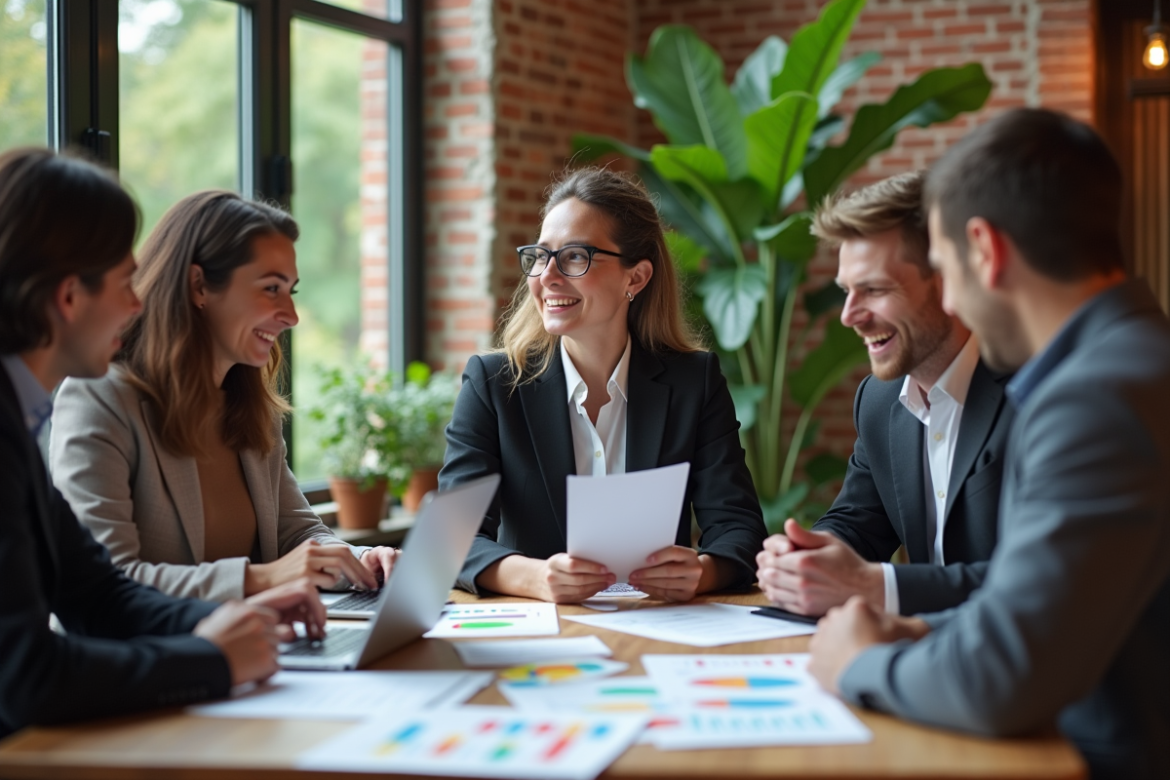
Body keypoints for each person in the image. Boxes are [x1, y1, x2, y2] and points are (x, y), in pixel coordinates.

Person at [807, 108, 1170, 780]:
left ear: (985, 250)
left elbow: (1008, 670)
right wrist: (920, 633)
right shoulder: (1128, 360)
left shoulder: (1097, 396)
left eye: (945, 265)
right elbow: (1047, 613)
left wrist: (858, 664)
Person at [0, 147, 326, 736]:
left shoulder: (17, 420)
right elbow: (26, 674)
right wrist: (212, 657)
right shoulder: (55, 412)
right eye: (126, 283)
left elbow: (99, 593)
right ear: (69, 297)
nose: (138, 303)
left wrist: (229, 617)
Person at [49, 190, 399, 602]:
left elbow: (297, 533)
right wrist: (263, 579)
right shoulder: (100, 398)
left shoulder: (250, 405)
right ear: (199, 285)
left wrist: (364, 560)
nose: (291, 315)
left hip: (260, 647)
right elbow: (107, 582)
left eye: (292, 291)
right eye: (271, 288)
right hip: (157, 658)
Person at [439, 167, 766, 603]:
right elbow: (451, 539)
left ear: (636, 277)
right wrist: (534, 578)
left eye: (575, 256)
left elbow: (739, 528)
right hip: (536, 633)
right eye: (540, 255)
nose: (547, 276)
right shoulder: (494, 384)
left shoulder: (695, 382)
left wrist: (702, 573)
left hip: (661, 629)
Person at [755, 171, 1013, 617]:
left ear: (946, 280)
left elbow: (1038, 582)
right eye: (846, 292)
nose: (849, 316)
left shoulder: (1035, 394)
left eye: (874, 290)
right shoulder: (878, 400)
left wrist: (874, 586)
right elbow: (859, 524)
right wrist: (808, 555)